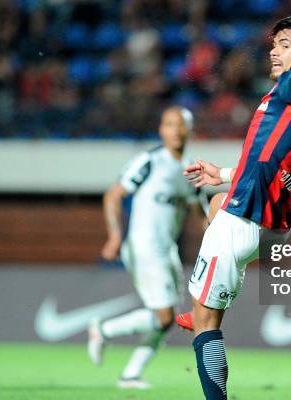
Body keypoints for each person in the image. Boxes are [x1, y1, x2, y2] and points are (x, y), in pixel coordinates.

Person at [182, 14, 291, 400]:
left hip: (247, 216)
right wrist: (225, 173)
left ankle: (204, 317)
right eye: (274, 44)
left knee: (206, 323)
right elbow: (269, 159)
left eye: (284, 44)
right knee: (216, 202)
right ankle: (205, 299)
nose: (273, 51)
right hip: (272, 221)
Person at [87, 106, 208, 389]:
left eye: (181, 125)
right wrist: (115, 236)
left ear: (189, 130)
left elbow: (202, 216)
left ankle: (130, 374)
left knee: (167, 319)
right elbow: (113, 195)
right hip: (143, 245)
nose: (176, 130)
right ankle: (103, 329)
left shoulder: (192, 171)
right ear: (161, 130)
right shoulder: (150, 161)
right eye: (169, 124)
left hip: (167, 251)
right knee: (164, 315)